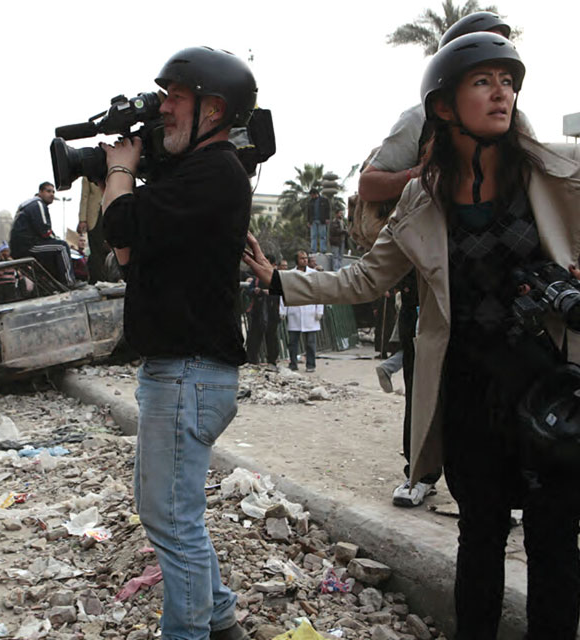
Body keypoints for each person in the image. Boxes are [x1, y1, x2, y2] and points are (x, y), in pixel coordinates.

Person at [244, 34, 580, 638]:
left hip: (550, 390)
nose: (501, 90)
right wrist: (279, 282)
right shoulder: (421, 199)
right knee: (479, 534)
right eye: (483, 80)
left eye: (507, 79)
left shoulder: (556, 174)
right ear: (444, 108)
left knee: (556, 539)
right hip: (469, 395)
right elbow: (367, 278)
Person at [101, 46, 257, 640]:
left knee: (171, 520)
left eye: (175, 98)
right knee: (171, 514)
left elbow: (121, 223)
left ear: (213, 109)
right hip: (182, 373)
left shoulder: (215, 173)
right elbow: (129, 253)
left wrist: (119, 166)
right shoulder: (197, 174)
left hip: (188, 374)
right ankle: (220, 620)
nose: (162, 109)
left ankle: (192, 632)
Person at [355, 11, 534, 510]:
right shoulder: (417, 121)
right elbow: (369, 185)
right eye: (482, 69)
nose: (500, 81)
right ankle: (421, 470)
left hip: (509, 281)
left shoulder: (518, 125)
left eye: (506, 71)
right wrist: (427, 173)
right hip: (434, 271)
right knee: (428, 367)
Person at [10, 182, 76, 287]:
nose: (52, 195)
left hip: (19, 247)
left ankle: (54, 283)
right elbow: (45, 232)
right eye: (48, 191)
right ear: (40, 192)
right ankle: (69, 282)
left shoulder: (29, 204)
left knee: (53, 248)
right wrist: (56, 239)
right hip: (28, 246)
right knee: (62, 246)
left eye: (53, 192)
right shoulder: (38, 204)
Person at [280, 251, 322, 372]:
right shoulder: (290, 274)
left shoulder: (314, 274)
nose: (304, 260)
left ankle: (311, 364)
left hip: (310, 312)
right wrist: (283, 310)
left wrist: (319, 309)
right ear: (296, 260)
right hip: (295, 312)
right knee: (293, 342)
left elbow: (320, 292)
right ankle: (293, 364)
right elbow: (285, 292)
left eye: (306, 258)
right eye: (302, 258)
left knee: (310, 342)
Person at [306, 188, 330, 253]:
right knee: (313, 236)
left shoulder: (324, 200)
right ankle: (313, 250)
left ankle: (323, 250)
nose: (312, 196)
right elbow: (308, 212)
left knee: (322, 236)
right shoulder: (310, 202)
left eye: (312, 195)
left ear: (316, 194)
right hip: (313, 221)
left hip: (322, 220)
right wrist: (308, 221)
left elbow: (327, 210)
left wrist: (327, 218)